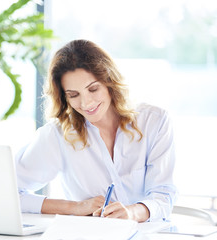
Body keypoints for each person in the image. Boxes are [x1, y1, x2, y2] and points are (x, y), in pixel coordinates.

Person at [15, 39, 177, 223]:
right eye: (73, 95)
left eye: (93, 89)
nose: (86, 103)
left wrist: (132, 213)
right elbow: (9, 193)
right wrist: (73, 207)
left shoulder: (154, 121)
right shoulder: (58, 135)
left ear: (109, 82)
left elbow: (164, 195)